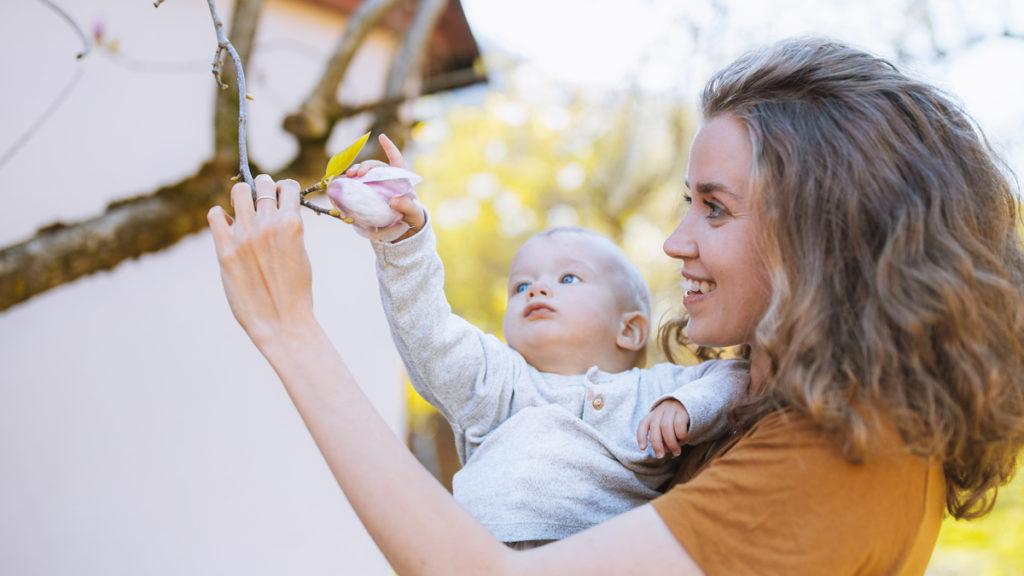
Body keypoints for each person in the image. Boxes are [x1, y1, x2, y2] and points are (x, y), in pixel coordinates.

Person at [206, 37, 1024, 574]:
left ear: (824, 236)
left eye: (714, 208)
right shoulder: (758, 411)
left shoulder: (844, 453)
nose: (674, 243)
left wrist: (289, 330)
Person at [330, 159, 748, 548]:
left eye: (568, 277)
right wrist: (405, 243)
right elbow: (429, 334)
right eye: (521, 286)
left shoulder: (656, 390)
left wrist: (688, 405)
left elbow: (738, 375)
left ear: (629, 329)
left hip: (598, 558)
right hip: (480, 556)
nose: (538, 289)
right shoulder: (498, 385)